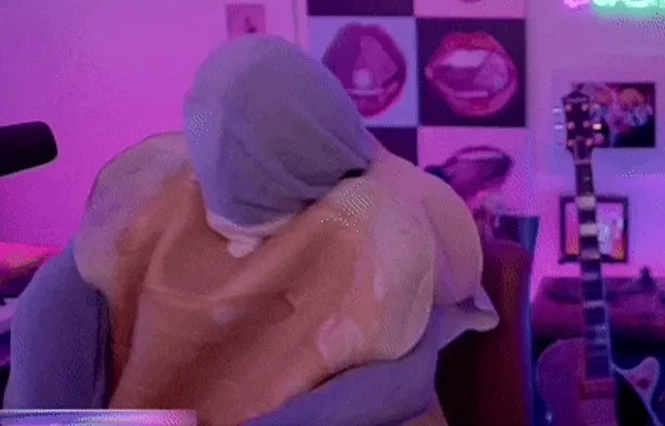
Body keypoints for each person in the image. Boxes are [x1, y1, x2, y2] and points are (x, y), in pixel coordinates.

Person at [5, 36, 498, 425]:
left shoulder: (369, 211)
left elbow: (401, 384)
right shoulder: (157, 194)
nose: (223, 151)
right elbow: (48, 329)